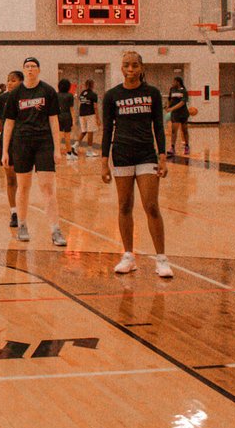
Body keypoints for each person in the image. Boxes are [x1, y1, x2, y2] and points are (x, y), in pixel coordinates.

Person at [100, 51, 173, 278]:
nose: (130, 69)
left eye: (134, 65)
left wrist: (162, 156)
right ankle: (128, 256)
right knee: (124, 206)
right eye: (126, 66)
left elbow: (158, 127)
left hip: (145, 155)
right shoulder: (112, 95)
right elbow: (107, 130)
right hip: (121, 154)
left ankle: (161, 259)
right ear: (121, 68)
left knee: (151, 205)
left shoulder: (151, 93)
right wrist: (104, 162)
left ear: (141, 67)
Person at [0, 57, 67, 247]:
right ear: (24, 70)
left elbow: (54, 120)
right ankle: (22, 225)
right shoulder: (15, 94)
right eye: (27, 67)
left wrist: (57, 148)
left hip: (44, 142)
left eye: (33, 67)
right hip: (21, 143)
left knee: (47, 187)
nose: (30, 70)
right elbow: (9, 123)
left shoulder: (48, 91)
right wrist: (5, 150)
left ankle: (55, 229)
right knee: (24, 186)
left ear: (38, 70)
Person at [0, 70, 23, 227]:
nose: (9, 83)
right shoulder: (3, 98)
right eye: (8, 80)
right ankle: (14, 212)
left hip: (24, 141)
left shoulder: (26, 98)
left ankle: (22, 209)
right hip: (7, 143)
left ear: (21, 82)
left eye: (13, 80)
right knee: (10, 179)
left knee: (23, 180)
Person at [167, 76, 190, 155]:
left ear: (178, 82)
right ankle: (172, 147)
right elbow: (170, 99)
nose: (172, 83)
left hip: (183, 113)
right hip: (175, 114)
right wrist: (167, 106)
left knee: (184, 131)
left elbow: (182, 103)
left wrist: (172, 108)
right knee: (174, 131)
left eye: (174, 81)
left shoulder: (184, 91)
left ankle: (187, 146)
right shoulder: (172, 89)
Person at [76, 79, 99, 157]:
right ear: (93, 85)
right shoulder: (93, 94)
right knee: (90, 132)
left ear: (85, 85)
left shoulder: (82, 93)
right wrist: (98, 118)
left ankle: (75, 145)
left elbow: (80, 102)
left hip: (82, 114)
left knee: (84, 131)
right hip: (90, 114)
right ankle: (89, 151)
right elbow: (95, 107)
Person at [56, 78, 76, 160]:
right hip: (67, 116)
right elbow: (71, 109)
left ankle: (56, 152)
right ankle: (69, 153)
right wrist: (74, 120)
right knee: (67, 136)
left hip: (58, 116)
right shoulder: (70, 95)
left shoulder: (56, 95)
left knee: (59, 136)